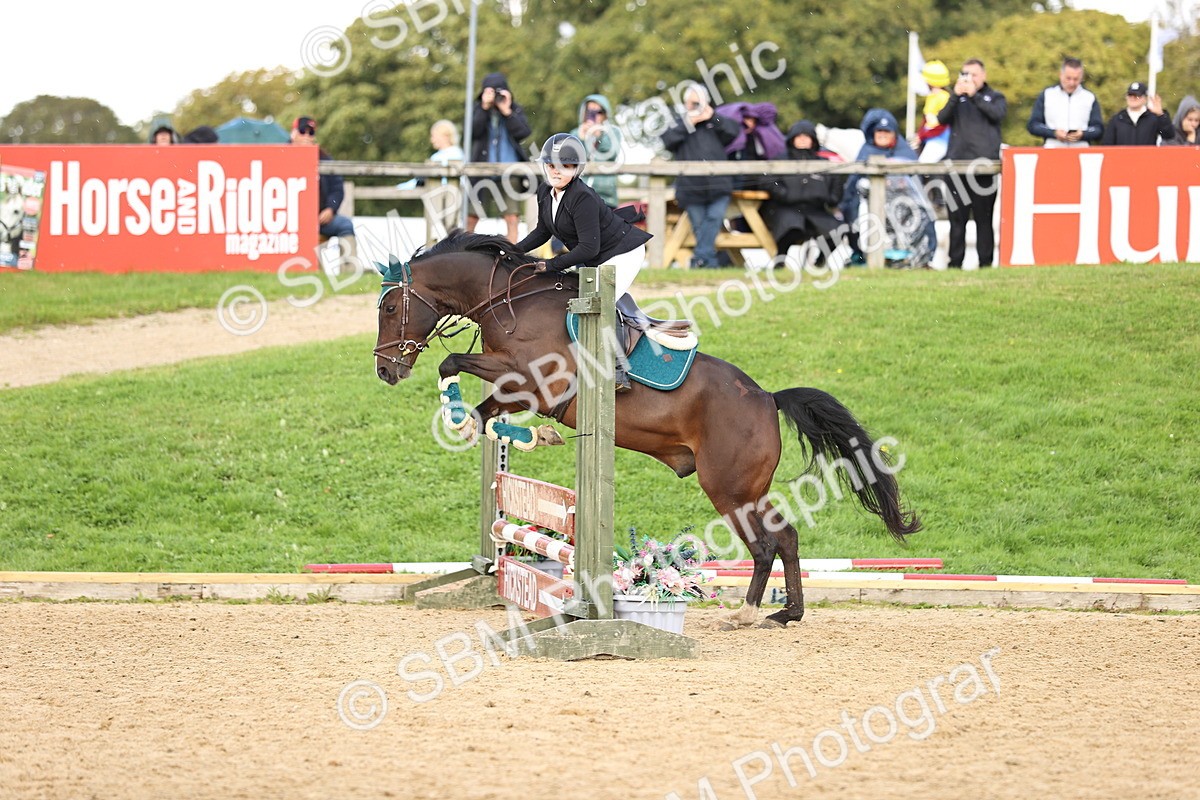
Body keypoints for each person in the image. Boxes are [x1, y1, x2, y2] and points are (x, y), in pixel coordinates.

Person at [513, 133, 652, 392]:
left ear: (576, 169)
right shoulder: (545, 192)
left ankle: (618, 369)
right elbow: (542, 232)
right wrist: (512, 251)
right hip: (595, 256)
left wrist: (552, 265)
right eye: (551, 164)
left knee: (600, 303)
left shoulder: (582, 196)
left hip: (623, 252)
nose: (556, 171)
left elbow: (589, 247)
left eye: (564, 165)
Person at [840, 109, 937, 267]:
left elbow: (916, 183)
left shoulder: (905, 151)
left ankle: (918, 258)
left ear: (894, 133)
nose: (883, 135)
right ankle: (864, 254)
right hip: (871, 206)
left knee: (922, 214)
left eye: (887, 131)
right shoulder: (866, 151)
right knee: (855, 211)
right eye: (879, 131)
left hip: (903, 205)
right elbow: (853, 185)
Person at [936, 58, 1007, 270]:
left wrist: (974, 96)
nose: (970, 79)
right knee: (957, 221)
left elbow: (997, 114)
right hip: (957, 168)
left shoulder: (994, 97)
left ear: (983, 76)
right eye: (965, 74)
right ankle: (954, 263)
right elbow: (941, 119)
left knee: (984, 221)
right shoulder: (956, 100)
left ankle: (985, 263)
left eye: (974, 75)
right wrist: (956, 97)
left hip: (984, 169)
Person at [661, 83, 740, 268]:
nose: (695, 106)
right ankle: (708, 261)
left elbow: (734, 132)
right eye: (692, 103)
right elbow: (667, 140)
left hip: (719, 185)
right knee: (698, 225)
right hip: (690, 188)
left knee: (713, 219)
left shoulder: (716, 122)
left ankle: (701, 260)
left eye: (699, 102)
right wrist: (690, 123)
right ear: (685, 103)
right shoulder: (679, 123)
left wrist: (712, 116)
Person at [757, 120, 845, 268]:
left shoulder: (825, 163)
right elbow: (768, 181)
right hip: (785, 208)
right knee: (791, 228)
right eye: (799, 136)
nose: (803, 140)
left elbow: (836, 184)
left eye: (807, 136)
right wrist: (783, 194)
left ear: (813, 140)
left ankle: (820, 261)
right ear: (792, 139)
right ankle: (780, 262)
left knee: (838, 230)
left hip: (815, 210)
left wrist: (831, 198)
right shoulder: (779, 161)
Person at [467, 72, 532, 242]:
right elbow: (472, 132)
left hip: (510, 171)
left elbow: (523, 133)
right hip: (480, 170)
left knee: (512, 216)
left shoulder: (514, 109)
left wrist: (507, 111)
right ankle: (465, 248)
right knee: (472, 214)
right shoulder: (477, 109)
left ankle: (512, 251)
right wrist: (484, 107)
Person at [291, 115, 355, 259]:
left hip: (319, 218)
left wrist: (330, 208)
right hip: (290, 221)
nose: (307, 136)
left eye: (311, 132)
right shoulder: (279, 155)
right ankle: (316, 274)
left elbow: (337, 188)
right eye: (303, 131)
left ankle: (349, 271)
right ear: (293, 133)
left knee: (345, 225)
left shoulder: (324, 158)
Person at [1026, 57, 1104, 148]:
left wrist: (1083, 134)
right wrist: (1053, 133)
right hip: (1052, 151)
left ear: (1081, 77)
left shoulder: (1089, 97)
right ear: (1060, 75)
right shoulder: (1047, 95)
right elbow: (1033, 125)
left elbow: (1098, 129)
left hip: (1081, 152)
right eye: (1068, 78)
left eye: (1076, 79)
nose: (1072, 83)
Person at [571, 95, 622, 208]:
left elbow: (611, 154)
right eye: (589, 111)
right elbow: (572, 159)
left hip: (605, 197)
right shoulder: (575, 133)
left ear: (605, 114)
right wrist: (582, 139)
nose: (593, 115)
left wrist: (599, 136)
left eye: (598, 111)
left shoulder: (613, 133)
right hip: (578, 196)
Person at [1101, 82, 1175, 145]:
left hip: (1146, 160)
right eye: (1130, 95)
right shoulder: (1117, 119)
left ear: (1145, 98)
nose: (1133, 98)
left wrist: (1161, 115)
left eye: (1137, 96)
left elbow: (1169, 135)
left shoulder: (1153, 118)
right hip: (1122, 160)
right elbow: (1107, 144)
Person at [916, 60, 952, 162]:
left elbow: (933, 123)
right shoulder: (941, 96)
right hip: (933, 139)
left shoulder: (940, 97)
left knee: (922, 166)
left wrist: (921, 135)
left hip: (939, 140)